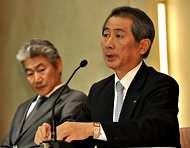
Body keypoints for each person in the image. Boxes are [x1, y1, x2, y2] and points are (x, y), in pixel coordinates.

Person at [34, 6, 181, 147]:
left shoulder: (162, 85)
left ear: (143, 46)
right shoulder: (99, 91)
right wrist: (53, 137)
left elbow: (153, 130)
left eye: (118, 36)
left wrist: (94, 129)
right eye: (106, 35)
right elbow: (79, 142)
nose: (108, 44)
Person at [1, 38, 87, 148]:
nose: (36, 79)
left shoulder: (73, 99)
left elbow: (64, 143)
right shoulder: (22, 108)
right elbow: (7, 144)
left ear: (59, 65)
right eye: (30, 73)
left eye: (41, 70)